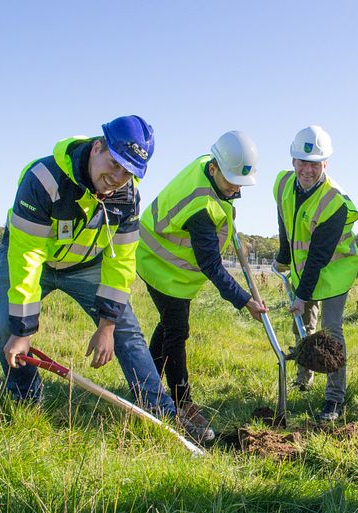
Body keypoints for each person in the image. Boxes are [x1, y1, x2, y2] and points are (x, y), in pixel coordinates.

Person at [0, 115, 179, 423]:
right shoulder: (43, 180)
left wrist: (106, 326)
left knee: (126, 331)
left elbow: (121, 262)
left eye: (128, 170)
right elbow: (27, 257)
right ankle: (26, 399)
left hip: (85, 265)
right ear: (96, 148)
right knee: (6, 328)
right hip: (34, 259)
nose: (118, 176)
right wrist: (23, 330)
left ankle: (160, 411)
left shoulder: (128, 197)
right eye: (115, 163)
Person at [136, 131, 267, 441]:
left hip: (171, 267)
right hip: (160, 265)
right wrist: (244, 300)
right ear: (214, 169)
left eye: (240, 182)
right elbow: (211, 265)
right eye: (231, 180)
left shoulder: (210, 166)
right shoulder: (200, 207)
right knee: (177, 332)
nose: (236, 188)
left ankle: (144, 386)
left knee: (169, 327)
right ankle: (182, 403)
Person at [273, 125, 358, 422]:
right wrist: (283, 257)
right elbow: (285, 221)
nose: (308, 170)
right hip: (301, 268)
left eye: (315, 163)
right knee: (301, 326)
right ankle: (303, 377)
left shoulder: (334, 200)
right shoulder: (283, 184)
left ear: (326, 164)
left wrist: (302, 294)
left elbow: (320, 256)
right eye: (302, 162)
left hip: (335, 270)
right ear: (293, 161)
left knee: (331, 331)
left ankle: (334, 398)